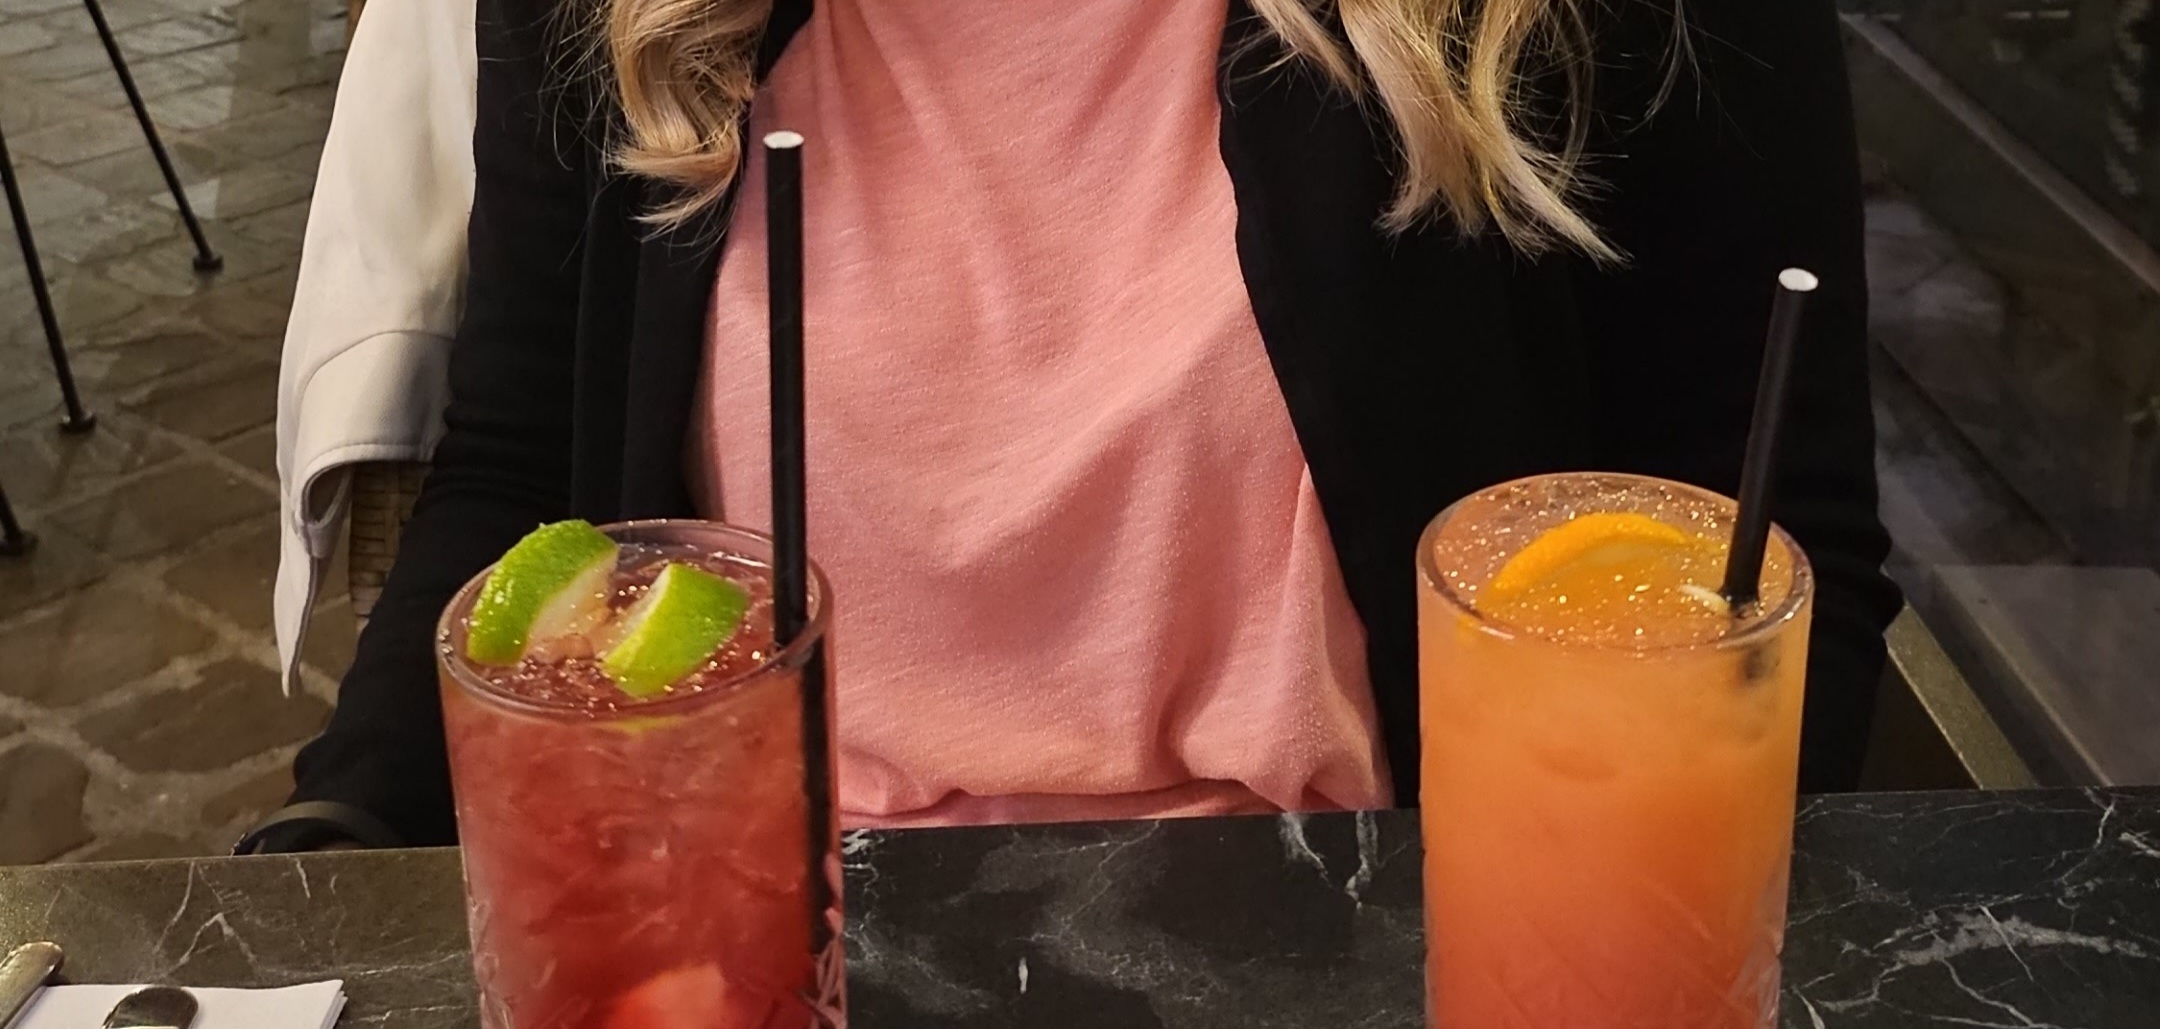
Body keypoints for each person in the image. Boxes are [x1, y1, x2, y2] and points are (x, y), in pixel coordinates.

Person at [258, 0, 1898, 851]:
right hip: (756, 988)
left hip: (1408, 983)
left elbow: (1777, 549)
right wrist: (334, 849)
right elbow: (515, 470)